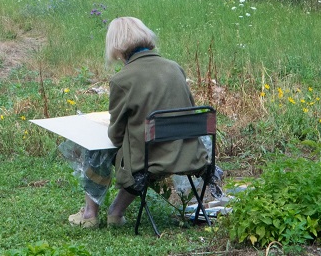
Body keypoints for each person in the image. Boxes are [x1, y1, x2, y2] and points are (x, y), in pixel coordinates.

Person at [60, 16, 209, 229]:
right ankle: (116, 212)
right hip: (189, 154)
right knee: (143, 144)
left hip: (151, 159)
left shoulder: (123, 79)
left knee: (97, 148)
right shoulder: (174, 67)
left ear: (117, 46)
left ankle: (89, 214)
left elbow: (116, 135)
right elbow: (187, 110)